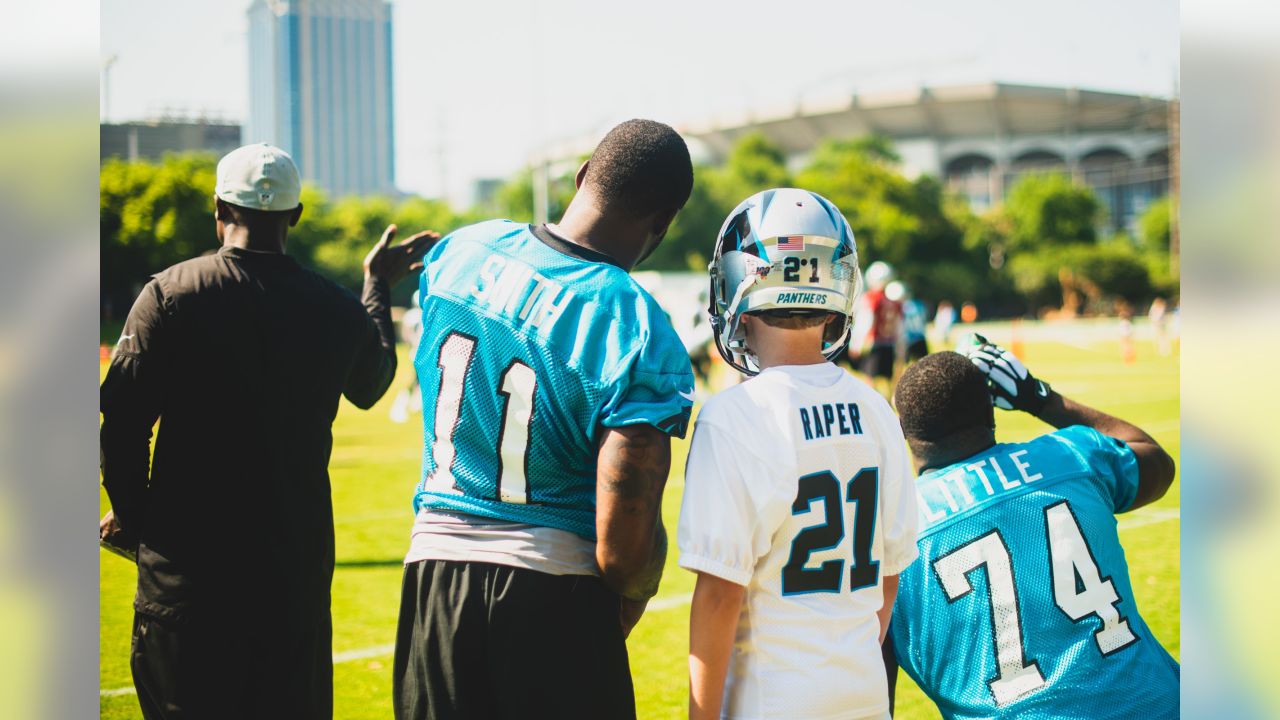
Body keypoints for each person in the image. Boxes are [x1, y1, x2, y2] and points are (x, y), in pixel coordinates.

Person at [99, 143, 436, 719]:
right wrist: (376, 283)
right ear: (296, 216)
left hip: (186, 581)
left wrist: (136, 522)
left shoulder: (172, 293)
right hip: (290, 582)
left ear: (217, 208)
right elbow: (373, 382)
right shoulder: (331, 307)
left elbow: (122, 428)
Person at [393, 119, 696, 720]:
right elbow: (623, 552)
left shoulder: (459, 252)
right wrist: (628, 602)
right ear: (663, 222)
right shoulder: (633, 323)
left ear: (583, 175)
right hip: (553, 590)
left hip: (431, 573)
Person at [679, 188, 919, 720]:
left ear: (736, 288)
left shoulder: (733, 416)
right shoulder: (876, 409)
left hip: (773, 699)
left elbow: (720, 594)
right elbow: (889, 576)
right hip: (862, 691)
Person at [887, 336, 1179, 719]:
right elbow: (1154, 460)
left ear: (906, 434)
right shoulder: (1072, 455)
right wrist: (1038, 396)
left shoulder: (892, 529)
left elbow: (873, 696)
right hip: (1155, 704)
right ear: (991, 413)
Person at [849, 260, 903, 399]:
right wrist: (900, 348)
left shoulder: (872, 298)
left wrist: (856, 343)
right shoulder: (894, 299)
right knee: (887, 380)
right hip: (889, 342)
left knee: (869, 380)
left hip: (875, 343)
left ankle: (870, 403)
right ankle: (889, 403)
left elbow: (866, 321)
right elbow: (899, 326)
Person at [887, 280, 929, 364]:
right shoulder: (919, 304)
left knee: (901, 364)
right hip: (921, 337)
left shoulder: (901, 307)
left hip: (907, 339)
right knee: (922, 365)